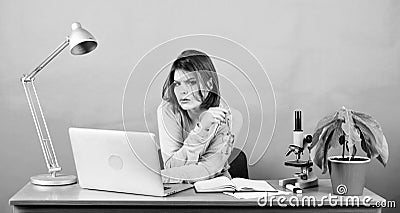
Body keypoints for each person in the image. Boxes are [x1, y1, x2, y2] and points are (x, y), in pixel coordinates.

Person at [157, 49, 235, 183]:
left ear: (209, 84)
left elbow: (210, 170)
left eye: (191, 82)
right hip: (177, 190)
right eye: (177, 84)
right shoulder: (168, 110)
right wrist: (202, 129)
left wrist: (161, 176)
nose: (182, 91)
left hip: (214, 188)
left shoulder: (221, 113)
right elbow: (171, 165)